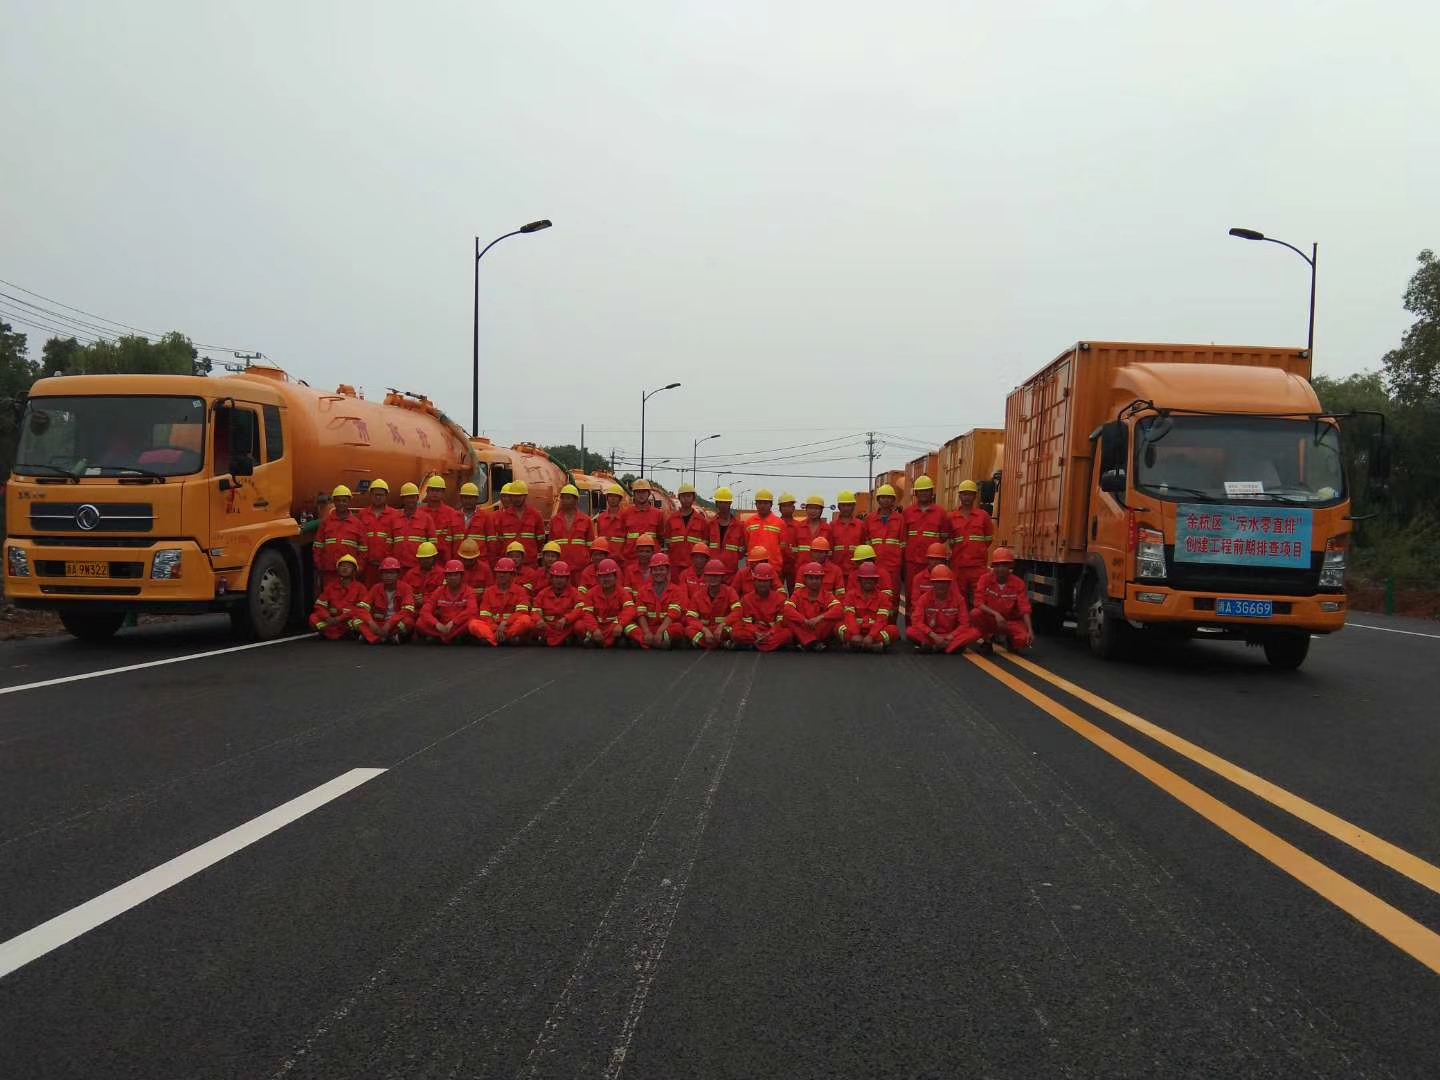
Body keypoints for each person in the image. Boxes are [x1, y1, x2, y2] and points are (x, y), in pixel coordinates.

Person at [970, 547, 1034, 654]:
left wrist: (1030, 630)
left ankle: (1010, 638)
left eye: (1004, 565)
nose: (1001, 569)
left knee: (1024, 640)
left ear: (1010, 567)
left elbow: (1025, 608)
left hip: (1010, 621)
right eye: (997, 565)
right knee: (975, 614)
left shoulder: (1019, 583)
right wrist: (995, 614)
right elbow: (978, 602)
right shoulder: (984, 579)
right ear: (993, 567)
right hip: (992, 620)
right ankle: (987, 641)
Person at [906, 565, 981, 653]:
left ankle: (935, 647)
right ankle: (951, 647)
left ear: (949, 583)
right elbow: (917, 621)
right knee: (910, 631)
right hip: (931, 635)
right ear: (932, 583)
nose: (941, 585)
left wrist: (951, 635)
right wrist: (933, 635)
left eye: (944, 582)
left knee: (975, 633)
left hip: (950, 635)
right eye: (938, 582)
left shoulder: (959, 599)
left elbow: (964, 624)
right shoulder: (924, 599)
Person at [902, 475, 949, 610]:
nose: (923, 493)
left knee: (934, 594)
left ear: (932, 492)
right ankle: (911, 627)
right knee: (912, 596)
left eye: (927, 490)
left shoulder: (941, 513)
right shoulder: (907, 513)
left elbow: (944, 536)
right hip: (912, 562)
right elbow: (903, 537)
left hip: (933, 562)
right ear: (916, 493)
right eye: (921, 491)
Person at [575, 559, 644, 648]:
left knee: (634, 630)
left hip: (615, 627)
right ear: (598, 578)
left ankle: (596, 641)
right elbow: (586, 614)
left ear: (615, 577)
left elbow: (630, 610)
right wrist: (594, 629)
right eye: (602, 576)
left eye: (608, 576)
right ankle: (602, 640)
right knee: (578, 626)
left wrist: (620, 624)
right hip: (598, 626)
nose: (605, 579)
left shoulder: (622, 593)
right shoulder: (592, 593)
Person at [949, 479, 994, 606]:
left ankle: (976, 625)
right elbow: (950, 540)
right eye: (964, 494)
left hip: (978, 567)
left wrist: (977, 551)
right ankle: (963, 625)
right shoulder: (951, 517)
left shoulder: (983, 516)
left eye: (970, 494)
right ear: (959, 496)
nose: (967, 497)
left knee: (979, 601)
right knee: (959, 602)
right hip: (959, 566)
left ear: (974, 496)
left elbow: (988, 539)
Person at [727, 562, 791, 652]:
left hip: (772, 632)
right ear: (754, 581)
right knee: (736, 633)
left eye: (765, 581)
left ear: (771, 582)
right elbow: (746, 623)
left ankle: (755, 645)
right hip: (754, 632)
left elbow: (780, 623)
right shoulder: (747, 599)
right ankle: (769, 645)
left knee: (787, 634)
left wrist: (770, 633)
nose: (762, 584)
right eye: (760, 581)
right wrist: (756, 633)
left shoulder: (780, 599)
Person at [469, 558, 534, 645]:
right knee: (473, 624)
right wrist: (496, 628)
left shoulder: (520, 591)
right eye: (499, 572)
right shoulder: (489, 592)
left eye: (505, 573)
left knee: (526, 620)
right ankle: (505, 638)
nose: (501, 575)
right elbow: (485, 616)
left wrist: (505, 623)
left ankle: (492, 639)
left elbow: (521, 612)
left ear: (512, 575)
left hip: (510, 625)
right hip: (493, 627)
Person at [354, 556, 416, 644]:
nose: (388, 576)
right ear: (381, 575)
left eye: (391, 573)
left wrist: (389, 624)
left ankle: (370, 637)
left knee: (409, 621)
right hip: (378, 623)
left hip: (394, 624)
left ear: (398, 574)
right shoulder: (376, 588)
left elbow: (407, 610)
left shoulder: (406, 588)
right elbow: (362, 608)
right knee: (356, 620)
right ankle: (387, 638)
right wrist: (371, 623)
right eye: (385, 573)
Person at [836, 563, 897, 652]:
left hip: (875, 632)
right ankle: (873, 647)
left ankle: (856, 645)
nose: (868, 581)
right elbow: (849, 616)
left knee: (893, 630)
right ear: (859, 580)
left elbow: (882, 619)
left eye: (871, 579)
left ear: (876, 581)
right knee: (838, 627)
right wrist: (855, 634)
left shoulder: (883, 597)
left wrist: (871, 636)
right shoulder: (851, 595)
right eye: (865, 579)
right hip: (856, 631)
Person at [784, 561, 843, 650]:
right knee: (787, 618)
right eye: (811, 578)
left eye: (817, 578)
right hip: (804, 627)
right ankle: (812, 642)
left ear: (822, 579)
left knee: (834, 619)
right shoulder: (798, 594)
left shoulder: (827, 595)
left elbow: (839, 609)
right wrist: (803, 620)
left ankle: (807, 642)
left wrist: (819, 618)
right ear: (805, 579)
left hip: (819, 628)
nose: (814, 581)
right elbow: (787, 609)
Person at [416, 560, 477, 644]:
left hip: (459, 626)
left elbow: (472, 610)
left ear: (462, 576)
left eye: (455, 575)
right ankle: (447, 637)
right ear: (445, 577)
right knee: (420, 622)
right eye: (449, 575)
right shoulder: (439, 591)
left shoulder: (469, 591)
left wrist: (454, 622)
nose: (452, 578)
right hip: (442, 627)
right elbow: (425, 611)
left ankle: (444, 638)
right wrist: (436, 624)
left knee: (472, 622)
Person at [314, 484, 364, 586]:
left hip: (350, 572)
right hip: (329, 570)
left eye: (344, 500)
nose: (341, 503)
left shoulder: (358, 524)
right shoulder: (326, 523)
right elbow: (318, 546)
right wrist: (320, 565)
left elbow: (363, 549)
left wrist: (358, 568)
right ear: (334, 502)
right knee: (329, 598)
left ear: (349, 501)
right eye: (338, 500)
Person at [632, 552, 685, 649]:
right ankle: (660, 644)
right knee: (630, 626)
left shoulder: (676, 591)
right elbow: (640, 614)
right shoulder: (643, 591)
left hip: (666, 628)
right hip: (649, 628)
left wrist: (660, 632)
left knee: (678, 628)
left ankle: (647, 643)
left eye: (661, 569)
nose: (658, 573)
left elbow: (672, 615)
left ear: (667, 570)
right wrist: (647, 632)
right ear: (651, 571)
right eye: (655, 570)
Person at [686, 559, 741, 649]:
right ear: (705, 577)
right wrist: (704, 629)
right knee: (688, 630)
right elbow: (690, 618)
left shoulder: (730, 592)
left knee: (738, 630)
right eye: (710, 575)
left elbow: (738, 612)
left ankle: (704, 644)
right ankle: (721, 644)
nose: (713, 578)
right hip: (706, 629)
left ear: (722, 577)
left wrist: (722, 625)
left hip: (724, 629)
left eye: (716, 576)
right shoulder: (698, 595)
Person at [309, 554, 366, 640]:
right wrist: (327, 617)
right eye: (342, 566)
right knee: (313, 617)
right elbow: (320, 605)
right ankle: (328, 632)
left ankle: (344, 633)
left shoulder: (360, 588)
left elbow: (361, 609)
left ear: (354, 571)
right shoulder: (330, 587)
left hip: (347, 621)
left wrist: (340, 617)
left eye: (348, 566)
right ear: (338, 569)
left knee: (359, 620)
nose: (344, 568)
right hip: (332, 620)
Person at [530, 561, 586, 646]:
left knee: (580, 626)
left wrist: (566, 619)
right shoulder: (543, 593)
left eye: (562, 577)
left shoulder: (574, 593)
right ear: (551, 578)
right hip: (548, 627)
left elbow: (580, 609)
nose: (559, 580)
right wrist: (539, 620)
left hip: (566, 627)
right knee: (529, 624)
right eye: (556, 577)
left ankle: (570, 637)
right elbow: (535, 610)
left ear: (567, 579)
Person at [356, 479, 399, 586]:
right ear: (370, 495)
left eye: (381, 495)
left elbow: (397, 541)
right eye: (375, 494)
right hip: (367, 566)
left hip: (387, 567)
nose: (378, 497)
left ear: (386, 496)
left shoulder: (395, 515)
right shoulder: (362, 514)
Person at [489, 481, 544, 564]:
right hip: (508, 563)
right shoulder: (502, 517)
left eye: (519, 496)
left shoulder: (536, 515)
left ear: (525, 496)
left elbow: (540, 540)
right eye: (514, 496)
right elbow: (499, 542)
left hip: (529, 562)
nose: (516, 498)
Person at [864, 483, 906, 589]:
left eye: (889, 497)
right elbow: (866, 542)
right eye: (883, 497)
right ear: (878, 500)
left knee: (893, 594)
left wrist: (900, 565)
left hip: (893, 566)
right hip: (875, 565)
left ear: (893, 500)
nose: (886, 500)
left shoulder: (900, 519)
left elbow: (903, 543)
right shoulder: (870, 519)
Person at [392, 482, 436, 572]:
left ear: (417, 498)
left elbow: (433, 544)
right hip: (398, 567)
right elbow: (389, 543)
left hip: (418, 567)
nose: (410, 500)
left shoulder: (426, 518)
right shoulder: (394, 519)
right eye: (407, 497)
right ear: (402, 499)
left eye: (413, 497)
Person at [549, 483, 594, 570]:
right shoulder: (554, 520)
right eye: (563, 498)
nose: (565, 501)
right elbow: (551, 545)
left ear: (576, 500)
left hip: (580, 567)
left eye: (568, 498)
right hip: (560, 568)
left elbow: (590, 545)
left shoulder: (586, 520)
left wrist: (586, 560)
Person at [708, 487, 747, 582]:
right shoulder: (710, 524)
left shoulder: (739, 526)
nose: (723, 505)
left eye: (726, 502)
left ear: (730, 504)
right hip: (712, 571)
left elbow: (741, 553)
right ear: (716, 504)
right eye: (720, 502)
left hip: (731, 574)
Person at [665, 482, 710, 565]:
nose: (686, 499)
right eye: (683, 496)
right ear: (679, 498)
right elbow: (667, 542)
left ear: (693, 498)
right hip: (675, 563)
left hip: (694, 565)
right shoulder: (671, 519)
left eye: (689, 496)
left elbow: (705, 544)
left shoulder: (701, 521)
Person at [623, 479, 665, 563]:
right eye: (638, 492)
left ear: (648, 494)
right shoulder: (626, 513)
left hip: (652, 560)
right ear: (634, 494)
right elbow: (623, 537)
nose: (641, 495)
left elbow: (661, 537)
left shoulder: (658, 514)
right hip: (631, 559)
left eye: (643, 492)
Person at [422, 476, 463, 559]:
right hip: (425, 559)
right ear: (427, 491)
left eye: (438, 491)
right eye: (432, 490)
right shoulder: (420, 513)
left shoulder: (452, 514)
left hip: (445, 560)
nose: (434, 493)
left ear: (443, 492)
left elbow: (457, 542)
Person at [743, 489, 785, 572]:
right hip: (753, 567)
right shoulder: (749, 522)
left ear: (771, 505)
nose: (762, 506)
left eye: (765, 503)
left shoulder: (780, 523)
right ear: (756, 504)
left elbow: (783, 548)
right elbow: (746, 543)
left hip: (773, 568)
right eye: (759, 503)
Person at [829, 490, 866, 567]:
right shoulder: (832, 526)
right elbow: (829, 550)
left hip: (856, 568)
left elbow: (864, 546)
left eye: (849, 505)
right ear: (839, 506)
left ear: (854, 506)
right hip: (837, 568)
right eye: (843, 505)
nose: (846, 508)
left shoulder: (861, 525)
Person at [595, 484, 629, 562]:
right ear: (607, 498)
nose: (613, 499)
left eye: (615, 496)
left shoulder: (626, 517)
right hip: (604, 559)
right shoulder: (601, 518)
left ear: (620, 499)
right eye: (610, 496)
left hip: (621, 560)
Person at [456, 481, 488, 557]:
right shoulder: (454, 516)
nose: (468, 501)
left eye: (471, 498)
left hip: (479, 558)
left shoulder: (485, 517)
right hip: (459, 559)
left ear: (476, 499)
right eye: (465, 497)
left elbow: (491, 543)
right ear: (461, 498)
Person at [777, 493, 801, 589]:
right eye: (784, 506)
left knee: (795, 591)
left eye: (789, 506)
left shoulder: (799, 526)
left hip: (794, 565)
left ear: (793, 508)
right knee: (777, 591)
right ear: (780, 508)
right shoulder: (775, 524)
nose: (787, 508)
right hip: (778, 564)